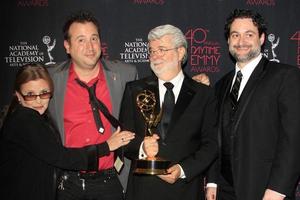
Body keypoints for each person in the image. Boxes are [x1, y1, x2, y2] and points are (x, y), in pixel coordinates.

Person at [0, 63, 134, 200]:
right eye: (30, 95)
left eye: (44, 93)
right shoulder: (25, 119)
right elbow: (61, 157)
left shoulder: (34, 117)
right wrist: (106, 146)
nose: (38, 100)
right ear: (18, 95)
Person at [205, 9, 300, 200]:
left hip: (265, 189)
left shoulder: (285, 76)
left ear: (262, 38)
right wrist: (213, 181)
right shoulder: (221, 85)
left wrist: (278, 189)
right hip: (225, 190)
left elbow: (294, 137)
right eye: (235, 35)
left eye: (249, 34)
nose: (241, 42)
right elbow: (216, 137)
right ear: (228, 41)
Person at [119, 24, 218, 200]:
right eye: (151, 51)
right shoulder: (134, 90)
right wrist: (142, 147)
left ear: (181, 52)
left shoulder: (204, 94)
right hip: (143, 192)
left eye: (162, 49)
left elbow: (211, 145)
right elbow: (124, 140)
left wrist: (182, 170)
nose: (155, 56)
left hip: (185, 190)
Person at [47, 10, 138, 200]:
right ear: (67, 46)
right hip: (68, 182)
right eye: (81, 40)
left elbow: (151, 99)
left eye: (94, 38)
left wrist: (192, 83)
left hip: (112, 181)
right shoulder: (51, 79)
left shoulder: (124, 74)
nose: (90, 46)